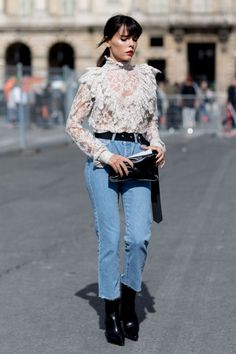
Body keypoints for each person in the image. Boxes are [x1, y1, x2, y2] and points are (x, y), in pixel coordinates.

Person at [66, 14, 165, 346]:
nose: (131, 44)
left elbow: (151, 124)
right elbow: (74, 125)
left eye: (134, 38)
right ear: (108, 40)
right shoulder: (93, 79)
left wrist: (158, 145)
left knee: (138, 238)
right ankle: (109, 310)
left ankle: (127, 302)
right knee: (109, 238)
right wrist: (106, 155)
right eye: (124, 38)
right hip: (102, 158)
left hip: (138, 159)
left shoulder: (147, 77)